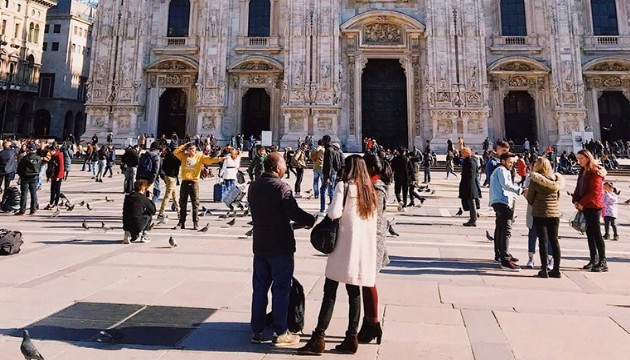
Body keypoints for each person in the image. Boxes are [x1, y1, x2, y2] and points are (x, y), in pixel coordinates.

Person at [248, 152, 315, 346]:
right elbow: (293, 212)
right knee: (281, 289)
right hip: (280, 245)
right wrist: (309, 220)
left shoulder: (254, 186)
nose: (286, 166)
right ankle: (281, 331)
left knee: (259, 289)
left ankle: (257, 331)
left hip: (260, 244)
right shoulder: (281, 187)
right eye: (284, 163)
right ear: (277, 168)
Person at [358, 154, 389, 345]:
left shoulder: (376, 189)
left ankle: (373, 322)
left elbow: (371, 216)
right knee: (365, 282)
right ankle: (370, 322)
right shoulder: (372, 186)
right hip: (368, 239)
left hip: (370, 241)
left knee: (368, 281)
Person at [525, 157, 565, 278]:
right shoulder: (556, 180)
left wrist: (526, 193)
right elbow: (557, 197)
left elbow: (530, 199)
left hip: (540, 213)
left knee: (543, 241)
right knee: (554, 241)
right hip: (554, 214)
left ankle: (544, 270)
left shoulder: (535, 180)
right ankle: (556, 269)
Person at [173, 142, 223, 230]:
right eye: (189, 149)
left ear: (195, 149)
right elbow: (175, 152)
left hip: (194, 182)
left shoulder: (200, 156)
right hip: (185, 181)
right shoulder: (184, 156)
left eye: (192, 149)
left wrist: (220, 158)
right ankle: (181, 222)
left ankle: (195, 223)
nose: (191, 151)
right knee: (182, 203)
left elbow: (210, 160)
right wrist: (184, 145)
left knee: (195, 204)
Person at [572, 149, 608, 272]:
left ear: (588, 158)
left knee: (596, 233)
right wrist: (575, 200)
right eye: (578, 158)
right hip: (585, 205)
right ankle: (593, 259)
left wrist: (582, 203)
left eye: (581, 158)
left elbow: (595, 192)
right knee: (589, 234)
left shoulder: (595, 172)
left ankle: (603, 262)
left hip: (593, 206)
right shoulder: (583, 171)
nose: (579, 161)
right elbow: (579, 187)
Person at [489, 152, 523, 271]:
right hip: (502, 202)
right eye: (510, 162)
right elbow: (506, 185)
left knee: (500, 228)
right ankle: (505, 260)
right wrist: (521, 190)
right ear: (503, 161)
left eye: (513, 163)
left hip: (499, 201)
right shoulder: (501, 170)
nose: (512, 165)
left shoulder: (501, 170)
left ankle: (500, 254)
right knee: (506, 230)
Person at [15, 144, 41, 215]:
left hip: (25, 177)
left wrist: (21, 175)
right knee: (34, 193)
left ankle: (22, 210)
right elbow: (39, 167)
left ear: (29, 150)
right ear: (35, 150)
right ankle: (33, 209)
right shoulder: (38, 158)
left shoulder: (25, 158)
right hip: (34, 177)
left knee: (24, 194)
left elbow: (19, 168)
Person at [158, 143, 181, 219]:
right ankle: (161, 213)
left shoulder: (167, 156)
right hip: (172, 178)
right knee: (167, 196)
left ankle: (179, 211)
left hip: (168, 177)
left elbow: (163, 167)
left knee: (174, 196)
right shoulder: (176, 157)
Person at [459, 147, 481, 227]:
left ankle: (473, 219)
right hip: (471, 184)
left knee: (471, 202)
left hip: (469, 185)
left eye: (462, 153)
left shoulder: (469, 162)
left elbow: (470, 175)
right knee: (471, 202)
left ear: (466, 153)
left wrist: (466, 185)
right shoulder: (472, 160)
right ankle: (473, 218)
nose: (461, 155)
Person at [391, 147, 412, 211]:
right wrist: (411, 178)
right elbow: (411, 169)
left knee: (397, 191)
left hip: (398, 177)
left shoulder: (395, 159)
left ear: (398, 151)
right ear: (404, 152)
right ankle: (404, 206)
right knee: (405, 192)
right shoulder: (407, 159)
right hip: (406, 178)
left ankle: (400, 200)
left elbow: (392, 168)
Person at [44, 145, 65, 210]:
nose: (50, 153)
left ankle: (55, 203)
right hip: (53, 175)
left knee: (57, 190)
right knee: (52, 190)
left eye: (50, 151)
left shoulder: (59, 155)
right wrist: (49, 176)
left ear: (54, 151)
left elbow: (61, 167)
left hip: (58, 175)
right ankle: (51, 203)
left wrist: (58, 176)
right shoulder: (53, 156)